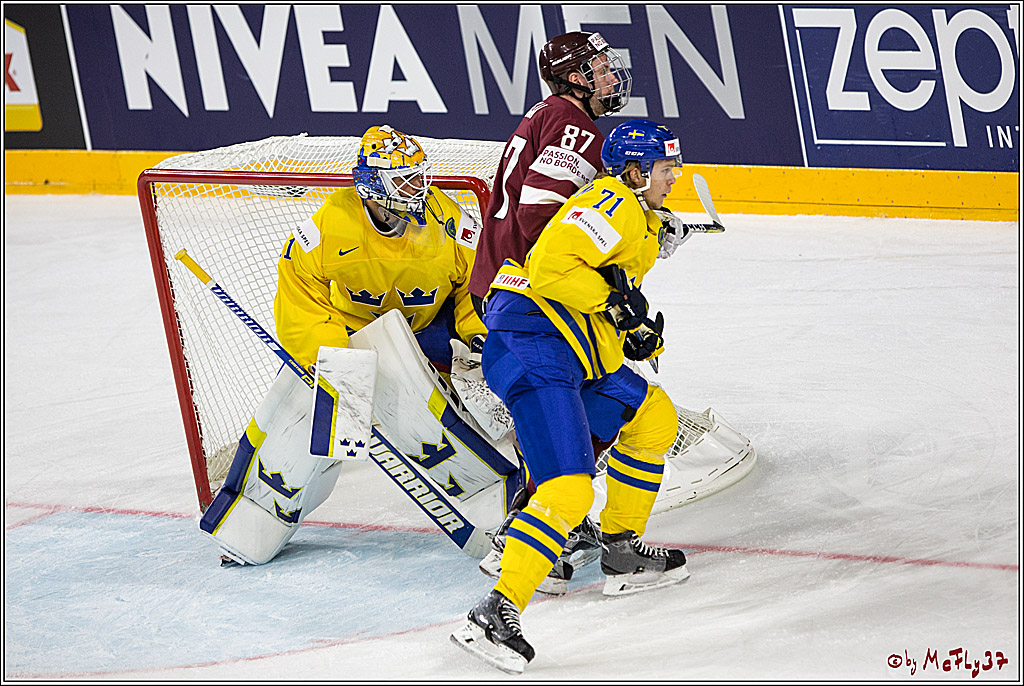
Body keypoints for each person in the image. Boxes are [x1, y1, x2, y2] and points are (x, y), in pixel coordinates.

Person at [451, 119, 691, 674]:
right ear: (635, 172)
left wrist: (631, 326)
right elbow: (552, 269)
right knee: (569, 492)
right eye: (665, 167)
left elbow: (601, 283)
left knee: (653, 416)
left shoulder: (631, 209)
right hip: (534, 344)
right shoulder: (613, 201)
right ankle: (494, 611)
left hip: (570, 347)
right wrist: (613, 302)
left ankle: (622, 550)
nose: (674, 176)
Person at [467, 30, 633, 594]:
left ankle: (552, 526)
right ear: (574, 76)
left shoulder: (549, 113)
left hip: (500, 279)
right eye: (600, 67)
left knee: (565, 405)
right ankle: (523, 537)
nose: (610, 75)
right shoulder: (575, 126)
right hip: (526, 293)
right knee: (567, 399)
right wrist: (597, 266)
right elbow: (539, 214)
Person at [275, 124, 485, 373]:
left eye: (418, 175)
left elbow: (479, 276)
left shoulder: (447, 218)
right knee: (297, 403)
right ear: (370, 185)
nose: (418, 187)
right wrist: (325, 353)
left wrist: (479, 334)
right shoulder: (332, 222)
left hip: (428, 329)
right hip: (352, 332)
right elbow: (299, 283)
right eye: (404, 179)